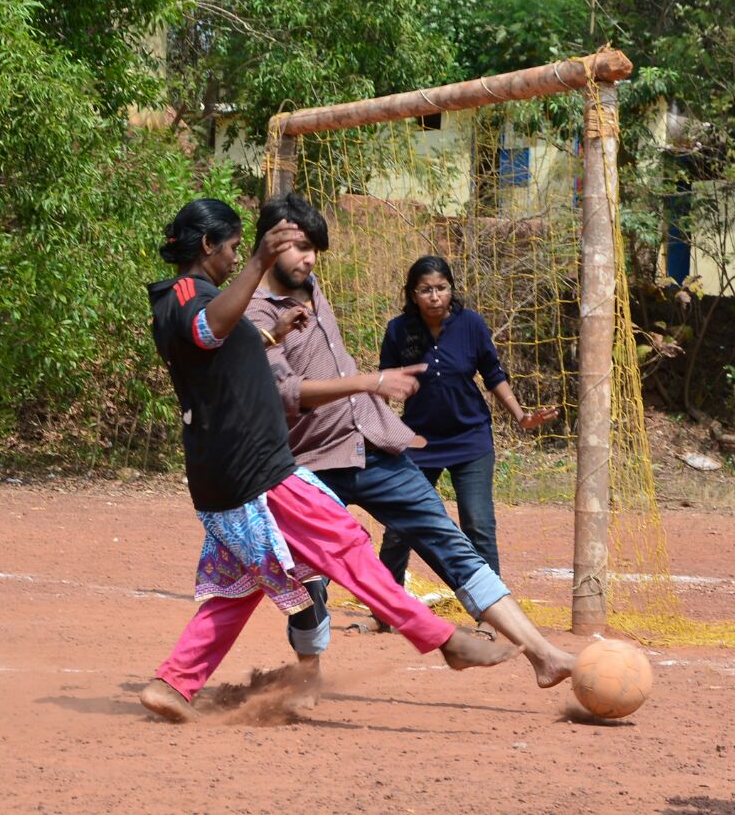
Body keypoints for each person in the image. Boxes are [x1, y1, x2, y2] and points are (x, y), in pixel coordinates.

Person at [139, 199, 517, 723]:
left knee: (245, 582)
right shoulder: (188, 292)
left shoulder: (202, 299)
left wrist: (273, 334)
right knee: (344, 541)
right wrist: (257, 264)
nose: (234, 259)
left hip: (225, 471)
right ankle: (441, 638)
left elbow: (215, 354)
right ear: (207, 247)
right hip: (255, 468)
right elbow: (205, 331)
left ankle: (174, 683)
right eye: (231, 249)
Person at [244, 193, 574, 688]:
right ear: (268, 244)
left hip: (372, 444)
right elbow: (285, 393)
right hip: (307, 464)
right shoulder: (253, 313)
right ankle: (307, 677)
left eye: (314, 248)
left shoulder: (310, 284)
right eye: (297, 247)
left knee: (453, 543)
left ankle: (544, 656)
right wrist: (370, 382)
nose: (309, 258)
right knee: (308, 576)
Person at [378, 255, 558, 587]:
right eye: (425, 290)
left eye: (441, 288)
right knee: (399, 525)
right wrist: (383, 431)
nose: (434, 297)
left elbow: (493, 374)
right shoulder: (398, 330)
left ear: (451, 289)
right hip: (419, 442)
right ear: (412, 293)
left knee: (477, 524)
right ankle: (386, 609)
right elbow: (383, 386)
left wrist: (521, 416)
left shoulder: (471, 324)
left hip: (470, 439)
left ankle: (492, 611)